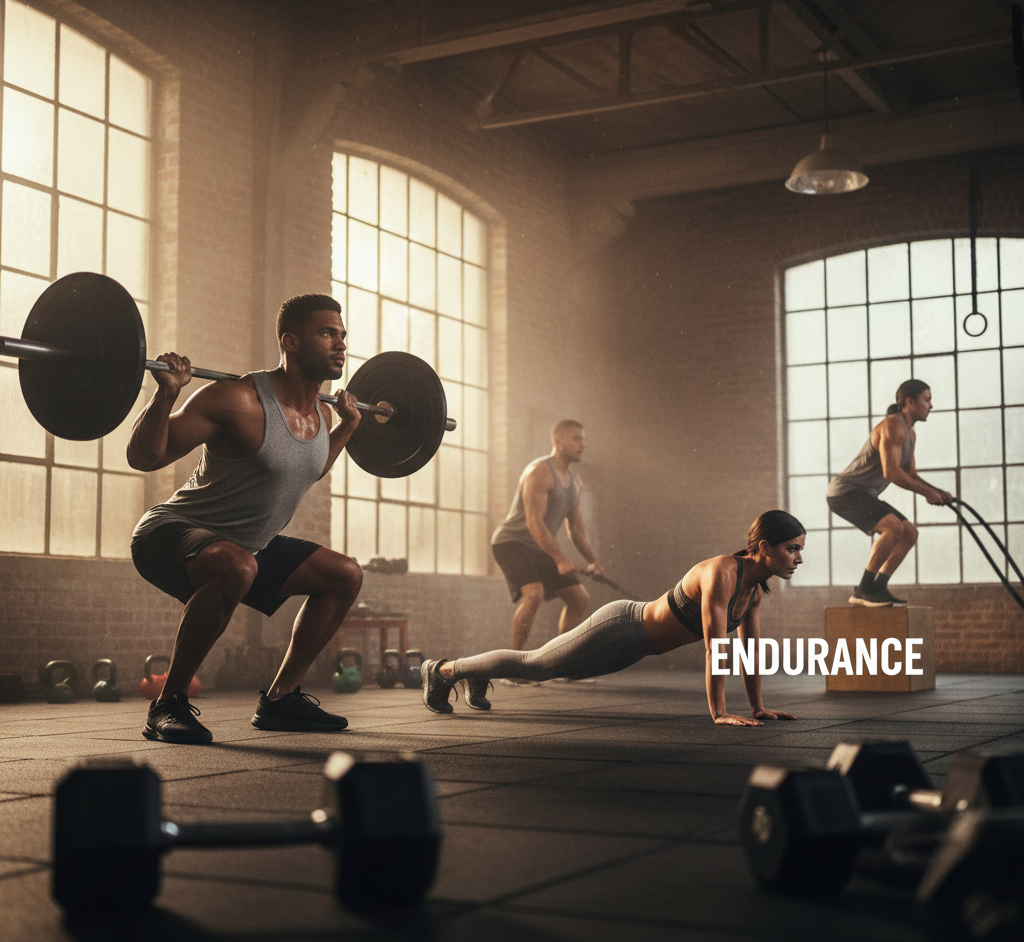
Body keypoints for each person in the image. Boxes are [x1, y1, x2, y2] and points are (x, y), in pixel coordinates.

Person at [126, 294, 365, 744]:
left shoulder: (320, 413)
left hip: (246, 546)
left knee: (344, 575)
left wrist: (347, 429)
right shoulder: (237, 400)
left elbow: (307, 467)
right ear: (290, 342)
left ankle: (281, 699)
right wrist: (166, 394)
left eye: (342, 334)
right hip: (168, 533)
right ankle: (168, 704)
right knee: (237, 565)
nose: (341, 344)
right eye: (327, 333)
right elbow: (145, 456)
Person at [422, 511, 803, 726]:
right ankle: (442, 670)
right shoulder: (722, 572)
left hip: (635, 649)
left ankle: (475, 672)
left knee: (550, 669)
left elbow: (749, 652)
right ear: (765, 548)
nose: (798, 559)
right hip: (621, 627)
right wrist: (719, 714)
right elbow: (716, 648)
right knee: (534, 665)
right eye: (792, 549)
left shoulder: (754, 591)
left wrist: (757, 707)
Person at [490, 420, 603, 685]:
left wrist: (592, 561)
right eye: (576, 439)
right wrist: (561, 558)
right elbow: (534, 523)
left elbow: (576, 528)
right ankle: (514, 670)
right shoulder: (539, 472)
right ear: (559, 441)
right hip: (512, 542)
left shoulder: (575, 482)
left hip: (539, 546)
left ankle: (561, 665)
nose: (582, 444)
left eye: (583, 439)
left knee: (578, 598)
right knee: (534, 594)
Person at [827, 379, 953, 608]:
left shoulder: (910, 434)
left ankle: (877, 587)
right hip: (845, 493)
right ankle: (864, 589)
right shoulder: (892, 425)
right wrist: (927, 493)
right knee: (893, 527)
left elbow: (910, 474)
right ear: (910, 402)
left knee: (909, 533)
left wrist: (936, 491)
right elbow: (892, 472)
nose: (931, 406)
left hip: (864, 494)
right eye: (927, 400)